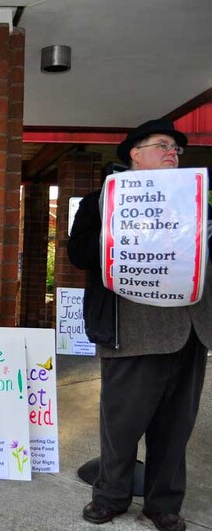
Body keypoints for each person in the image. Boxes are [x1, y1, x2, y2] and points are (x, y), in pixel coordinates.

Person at [68, 119, 212, 531]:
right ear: (135, 152)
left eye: (177, 150)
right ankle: (110, 496)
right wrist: (121, 234)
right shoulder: (100, 202)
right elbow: (79, 255)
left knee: (176, 425)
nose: (173, 153)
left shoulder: (197, 201)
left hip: (189, 329)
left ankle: (163, 504)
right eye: (163, 145)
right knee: (122, 421)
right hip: (132, 329)